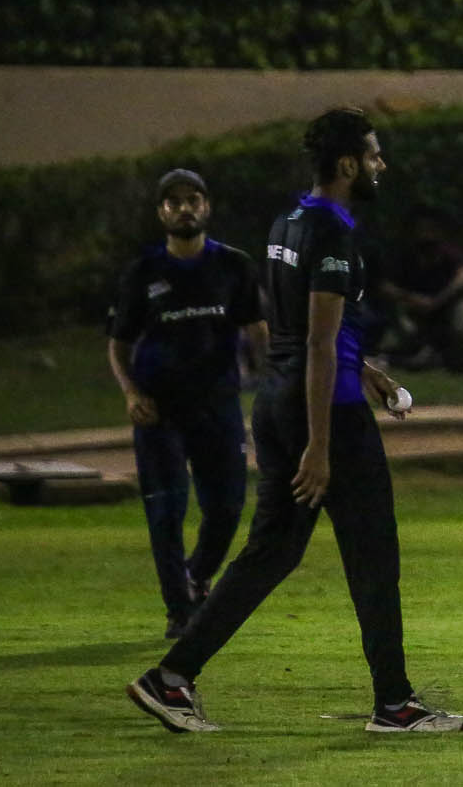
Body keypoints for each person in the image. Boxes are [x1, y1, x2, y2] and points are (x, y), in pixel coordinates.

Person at [125, 107, 463, 735]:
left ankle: (170, 678)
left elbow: (299, 333)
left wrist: (369, 372)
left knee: (272, 551)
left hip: (279, 400)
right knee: (373, 556)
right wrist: (320, 445)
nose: (381, 164)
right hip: (326, 412)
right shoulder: (334, 233)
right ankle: (395, 705)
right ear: (348, 164)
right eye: (373, 154)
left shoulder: (288, 221)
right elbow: (317, 341)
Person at [107, 168, 266, 639]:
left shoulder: (233, 266)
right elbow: (118, 344)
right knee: (166, 512)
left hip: (218, 405)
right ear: (161, 213)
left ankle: (196, 576)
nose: (184, 209)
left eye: (192, 199)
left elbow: (256, 329)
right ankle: (179, 610)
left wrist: (271, 382)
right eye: (173, 202)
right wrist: (132, 393)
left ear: (206, 207)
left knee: (228, 507)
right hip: (161, 412)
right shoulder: (143, 272)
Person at [379, 205, 463, 372]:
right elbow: (385, 286)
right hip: (415, 310)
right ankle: (417, 351)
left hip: (446, 308)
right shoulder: (406, 256)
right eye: (421, 230)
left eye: (430, 230)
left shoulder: (451, 254)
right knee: (393, 311)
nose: (426, 234)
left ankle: (455, 358)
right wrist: (411, 298)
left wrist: (437, 300)